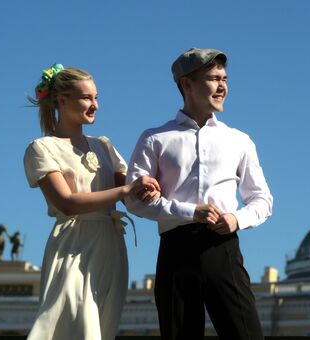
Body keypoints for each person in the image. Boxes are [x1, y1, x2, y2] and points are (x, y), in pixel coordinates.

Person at [125, 48, 273, 340]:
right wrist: (190, 211)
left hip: (224, 251)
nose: (222, 86)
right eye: (213, 78)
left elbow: (262, 200)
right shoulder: (154, 138)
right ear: (186, 84)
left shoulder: (239, 141)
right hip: (175, 253)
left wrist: (236, 219)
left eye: (224, 79)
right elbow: (133, 200)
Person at [23, 64, 160, 340]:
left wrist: (149, 189)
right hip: (72, 246)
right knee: (76, 325)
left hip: (110, 246)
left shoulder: (103, 146)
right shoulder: (42, 148)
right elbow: (67, 203)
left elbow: (131, 186)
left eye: (96, 97)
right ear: (62, 101)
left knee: (102, 327)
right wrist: (127, 191)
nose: (95, 104)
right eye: (87, 98)